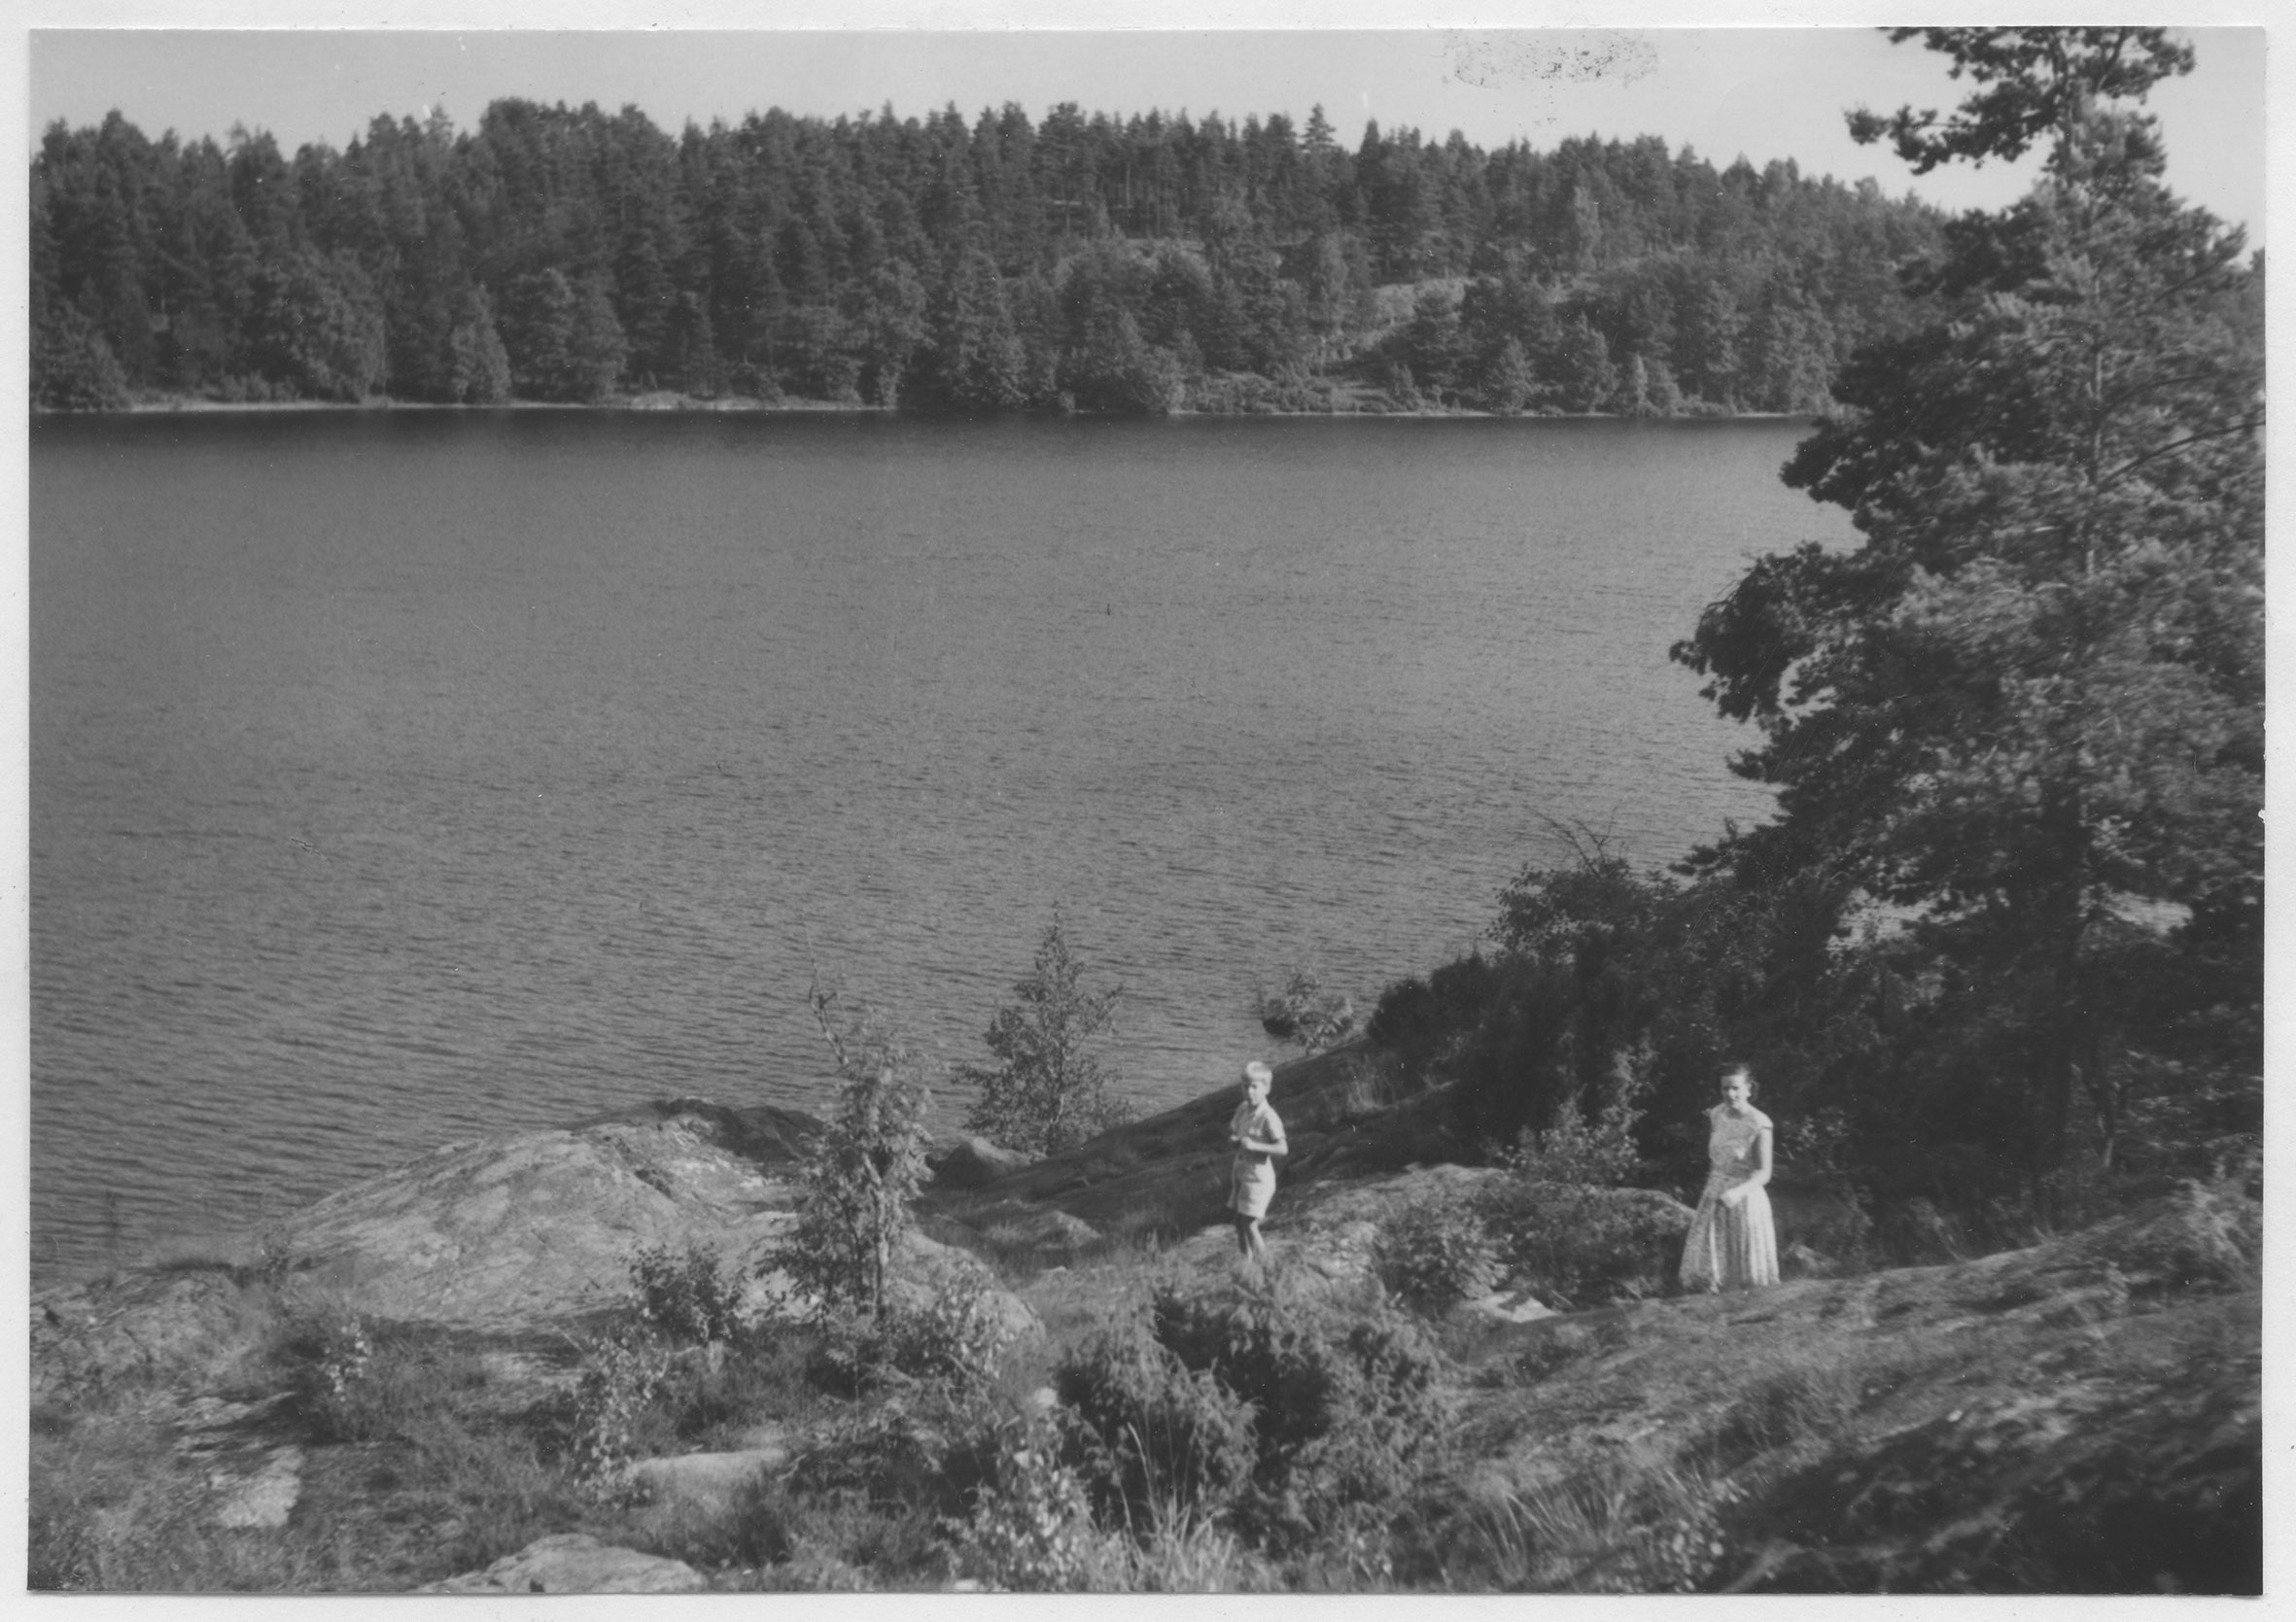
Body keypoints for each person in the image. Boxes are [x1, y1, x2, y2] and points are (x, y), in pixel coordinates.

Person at [1679, 1063, 1779, 1292]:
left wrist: (1736, 1193)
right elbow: (1717, 1159)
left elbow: (1764, 1173)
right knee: (1706, 1271)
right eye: (1725, 1088)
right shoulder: (1717, 1114)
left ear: (1749, 1089)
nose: (1730, 1094)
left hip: (1744, 1200)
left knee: (1744, 1276)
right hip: (1714, 1197)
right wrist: (1713, 1190)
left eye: (1735, 1088)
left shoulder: (1760, 1123)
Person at [1228, 1060, 1288, 1260]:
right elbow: (1234, 1132)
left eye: (1254, 1087)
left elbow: (1282, 1148)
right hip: (1241, 1173)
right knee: (1239, 1221)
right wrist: (1234, 1140)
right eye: (1245, 1086)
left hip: (1258, 1177)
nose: (1249, 1091)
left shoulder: (1268, 1116)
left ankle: (1265, 1264)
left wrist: (1255, 1146)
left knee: (1249, 1222)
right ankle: (1246, 1262)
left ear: (1267, 1088)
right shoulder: (1243, 1109)